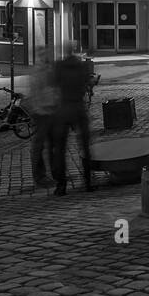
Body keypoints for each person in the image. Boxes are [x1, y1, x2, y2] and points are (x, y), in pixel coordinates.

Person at [50, 43, 93, 195]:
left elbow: (54, 84)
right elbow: (87, 84)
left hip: (63, 108)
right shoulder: (82, 66)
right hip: (79, 107)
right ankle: (88, 182)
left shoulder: (59, 66)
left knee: (60, 149)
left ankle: (61, 186)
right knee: (85, 146)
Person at [29, 54, 60, 189]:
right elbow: (39, 95)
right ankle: (40, 177)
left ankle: (54, 175)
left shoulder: (46, 73)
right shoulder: (39, 75)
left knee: (52, 145)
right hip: (42, 114)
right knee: (40, 146)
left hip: (48, 113)